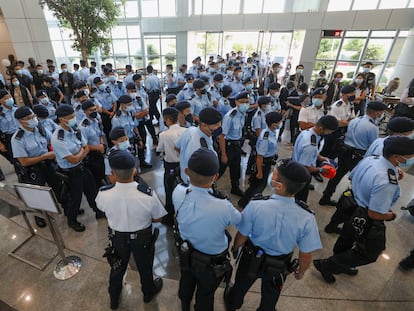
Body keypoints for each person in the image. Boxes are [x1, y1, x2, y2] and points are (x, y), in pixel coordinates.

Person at [313, 136, 414, 284]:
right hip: (364, 215)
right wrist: (391, 216)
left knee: (346, 238)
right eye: (410, 155)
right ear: (396, 157)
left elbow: (352, 177)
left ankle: (340, 262)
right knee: (370, 253)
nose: (411, 158)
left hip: (349, 203)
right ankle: (329, 265)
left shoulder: (371, 159)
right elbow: (375, 213)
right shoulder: (387, 181)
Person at [225, 159, 322, 311]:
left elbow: (242, 235)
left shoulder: (256, 205)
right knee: (271, 297)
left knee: (240, 286)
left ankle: (233, 304)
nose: (271, 175)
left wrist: (236, 248)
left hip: (251, 259)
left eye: (275, 174)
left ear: (279, 185)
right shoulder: (307, 218)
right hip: (279, 265)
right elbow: (305, 254)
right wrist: (301, 271)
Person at [173, 147, 241, 311]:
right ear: (215, 176)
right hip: (211, 260)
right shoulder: (223, 205)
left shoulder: (178, 191)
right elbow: (240, 221)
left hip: (186, 252)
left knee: (187, 279)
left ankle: (184, 303)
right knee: (206, 292)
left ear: (187, 171)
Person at [96, 150, 166, 309]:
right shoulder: (147, 194)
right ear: (134, 170)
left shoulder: (104, 193)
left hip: (117, 238)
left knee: (117, 267)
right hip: (142, 238)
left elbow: (101, 208)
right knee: (145, 267)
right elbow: (158, 218)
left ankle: (114, 297)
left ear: (113, 173)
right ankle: (148, 293)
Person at [319, 101, 387, 206]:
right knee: (357, 180)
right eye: (381, 112)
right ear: (377, 113)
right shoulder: (372, 127)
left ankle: (325, 197)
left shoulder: (354, 120)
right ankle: (348, 203)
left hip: (344, 151)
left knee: (337, 175)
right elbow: (373, 145)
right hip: (358, 155)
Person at [51, 105, 103, 232]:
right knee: (75, 198)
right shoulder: (58, 138)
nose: (74, 119)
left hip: (82, 167)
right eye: (70, 117)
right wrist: (80, 154)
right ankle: (72, 221)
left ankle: (98, 211)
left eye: (74, 116)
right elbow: (73, 159)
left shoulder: (75, 130)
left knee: (92, 191)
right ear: (62, 119)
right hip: (71, 172)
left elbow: (86, 147)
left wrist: (79, 155)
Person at [11, 106, 61, 228]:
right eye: (29, 118)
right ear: (20, 121)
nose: (33, 119)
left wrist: (52, 152)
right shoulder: (17, 139)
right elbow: (24, 161)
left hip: (48, 164)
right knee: (38, 195)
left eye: (33, 116)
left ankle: (66, 206)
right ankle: (39, 216)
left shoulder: (40, 128)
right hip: (33, 169)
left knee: (58, 186)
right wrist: (45, 156)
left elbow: (52, 140)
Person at [238, 112, 283, 209]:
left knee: (260, 185)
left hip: (267, 161)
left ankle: (250, 201)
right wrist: (259, 172)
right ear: (273, 123)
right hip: (262, 164)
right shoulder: (265, 137)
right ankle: (244, 203)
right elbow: (259, 156)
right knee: (256, 186)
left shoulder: (271, 132)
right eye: (279, 122)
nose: (280, 124)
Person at [292, 115, 339, 203]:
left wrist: (320, 157)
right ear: (321, 128)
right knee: (300, 199)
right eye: (329, 131)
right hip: (300, 174)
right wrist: (321, 170)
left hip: (295, 162)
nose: (330, 133)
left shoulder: (309, 132)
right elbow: (304, 168)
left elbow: (312, 152)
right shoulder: (310, 145)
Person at [176, 107, 222, 184]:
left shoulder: (191, 130)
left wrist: (184, 159)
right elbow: (200, 176)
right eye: (216, 125)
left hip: (185, 177)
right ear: (204, 125)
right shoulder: (200, 148)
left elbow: (177, 146)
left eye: (220, 124)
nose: (219, 127)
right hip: (196, 184)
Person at [156, 107, 186, 226]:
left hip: (170, 165)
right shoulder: (185, 130)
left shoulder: (164, 134)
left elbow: (160, 149)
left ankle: (169, 217)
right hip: (183, 164)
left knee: (169, 190)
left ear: (167, 120)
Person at [219, 92, 250, 197]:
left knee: (236, 168)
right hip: (228, 146)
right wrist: (223, 154)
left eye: (247, 102)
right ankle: (208, 186)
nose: (245, 104)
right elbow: (222, 136)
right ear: (236, 102)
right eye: (242, 102)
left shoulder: (242, 114)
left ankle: (235, 188)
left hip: (237, 145)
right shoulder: (230, 116)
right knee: (221, 168)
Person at [79, 99, 106, 187]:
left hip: (100, 151)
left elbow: (100, 134)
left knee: (102, 172)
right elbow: (84, 145)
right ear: (85, 112)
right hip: (91, 155)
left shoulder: (96, 120)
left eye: (95, 109)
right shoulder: (83, 127)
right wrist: (97, 148)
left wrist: (101, 144)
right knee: (96, 178)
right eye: (91, 110)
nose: (94, 112)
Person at [93, 77, 117, 143]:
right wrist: (110, 113)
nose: (101, 84)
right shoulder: (95, 95)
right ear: (96, 85)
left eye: (102, 83)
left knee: (116, 129)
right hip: (105, 115)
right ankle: (111, 145)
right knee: (108, 131)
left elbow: (114, 101)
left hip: (113, 111)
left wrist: (114, 111)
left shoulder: (108, 90)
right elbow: (100, 107)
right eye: (99, 84)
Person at [0, 90, 19, 166]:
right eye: (5, 98)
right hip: (9, 138)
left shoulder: (17, 109)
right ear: (1, 101)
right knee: (16, 161)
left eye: (9, 97)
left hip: (21, 135)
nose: (9, 99)